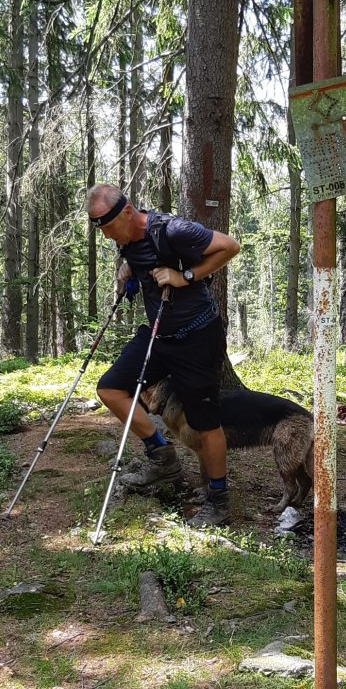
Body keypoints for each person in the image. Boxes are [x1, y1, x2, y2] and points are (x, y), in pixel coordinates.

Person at [87, 184, 240, 526]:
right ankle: (163, 458)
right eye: (101, 230)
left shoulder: (173, 230)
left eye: (109, 227)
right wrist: (127, 269)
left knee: (205, 423)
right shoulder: (126, 240)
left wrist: (185, 276)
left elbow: (230, 246)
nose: (108, 236)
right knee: (110, 389)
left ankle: (219, 501)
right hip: (159, 335)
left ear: (127, 212)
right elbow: (140, 259)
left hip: (198, 337)